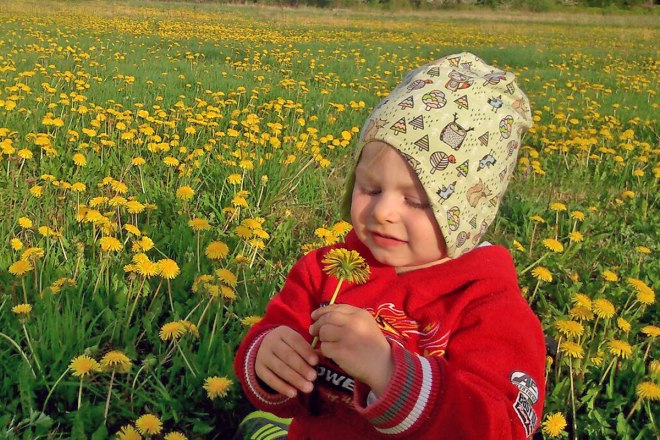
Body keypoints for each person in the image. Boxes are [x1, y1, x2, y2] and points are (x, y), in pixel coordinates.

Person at [233, 52, 546, 439]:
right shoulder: (327, 269)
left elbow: (501, 427)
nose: (383, 212)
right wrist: (266, 357)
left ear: (468, 216)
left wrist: (388, 371)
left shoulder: (488, 306)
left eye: (416, 201)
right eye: (370, 189)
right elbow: (276, 340)